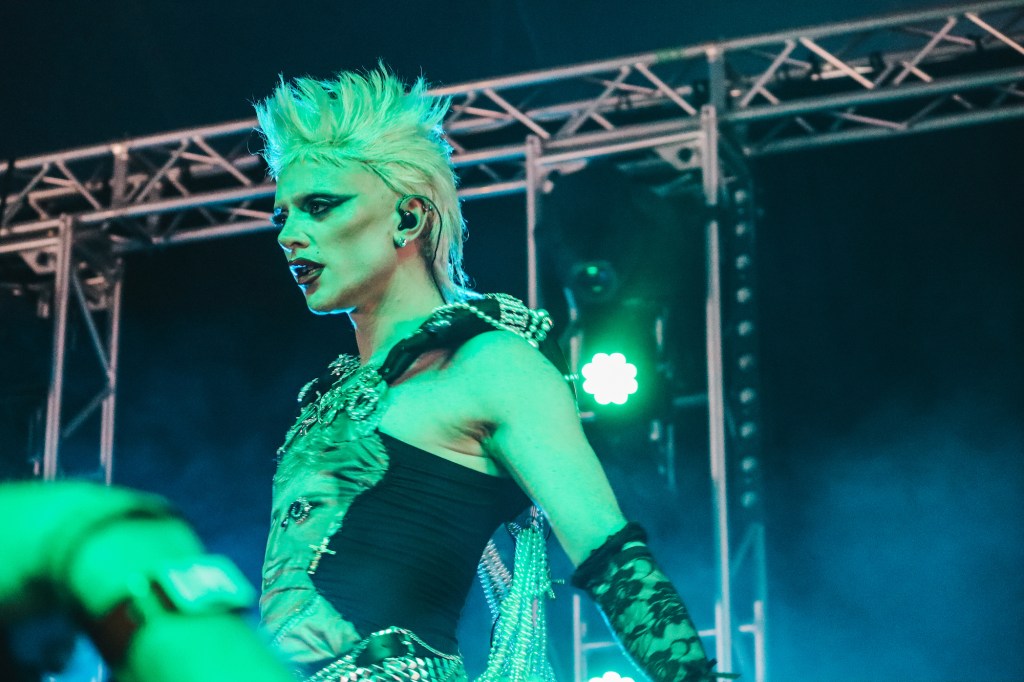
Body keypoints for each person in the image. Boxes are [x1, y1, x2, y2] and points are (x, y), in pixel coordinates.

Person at [255, 66, 729, 682]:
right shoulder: (329, 399)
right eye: (282, 217)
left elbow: (613, 558)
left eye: (320, 207)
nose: (290, 235)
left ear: (408, 219)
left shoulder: (490, 366)